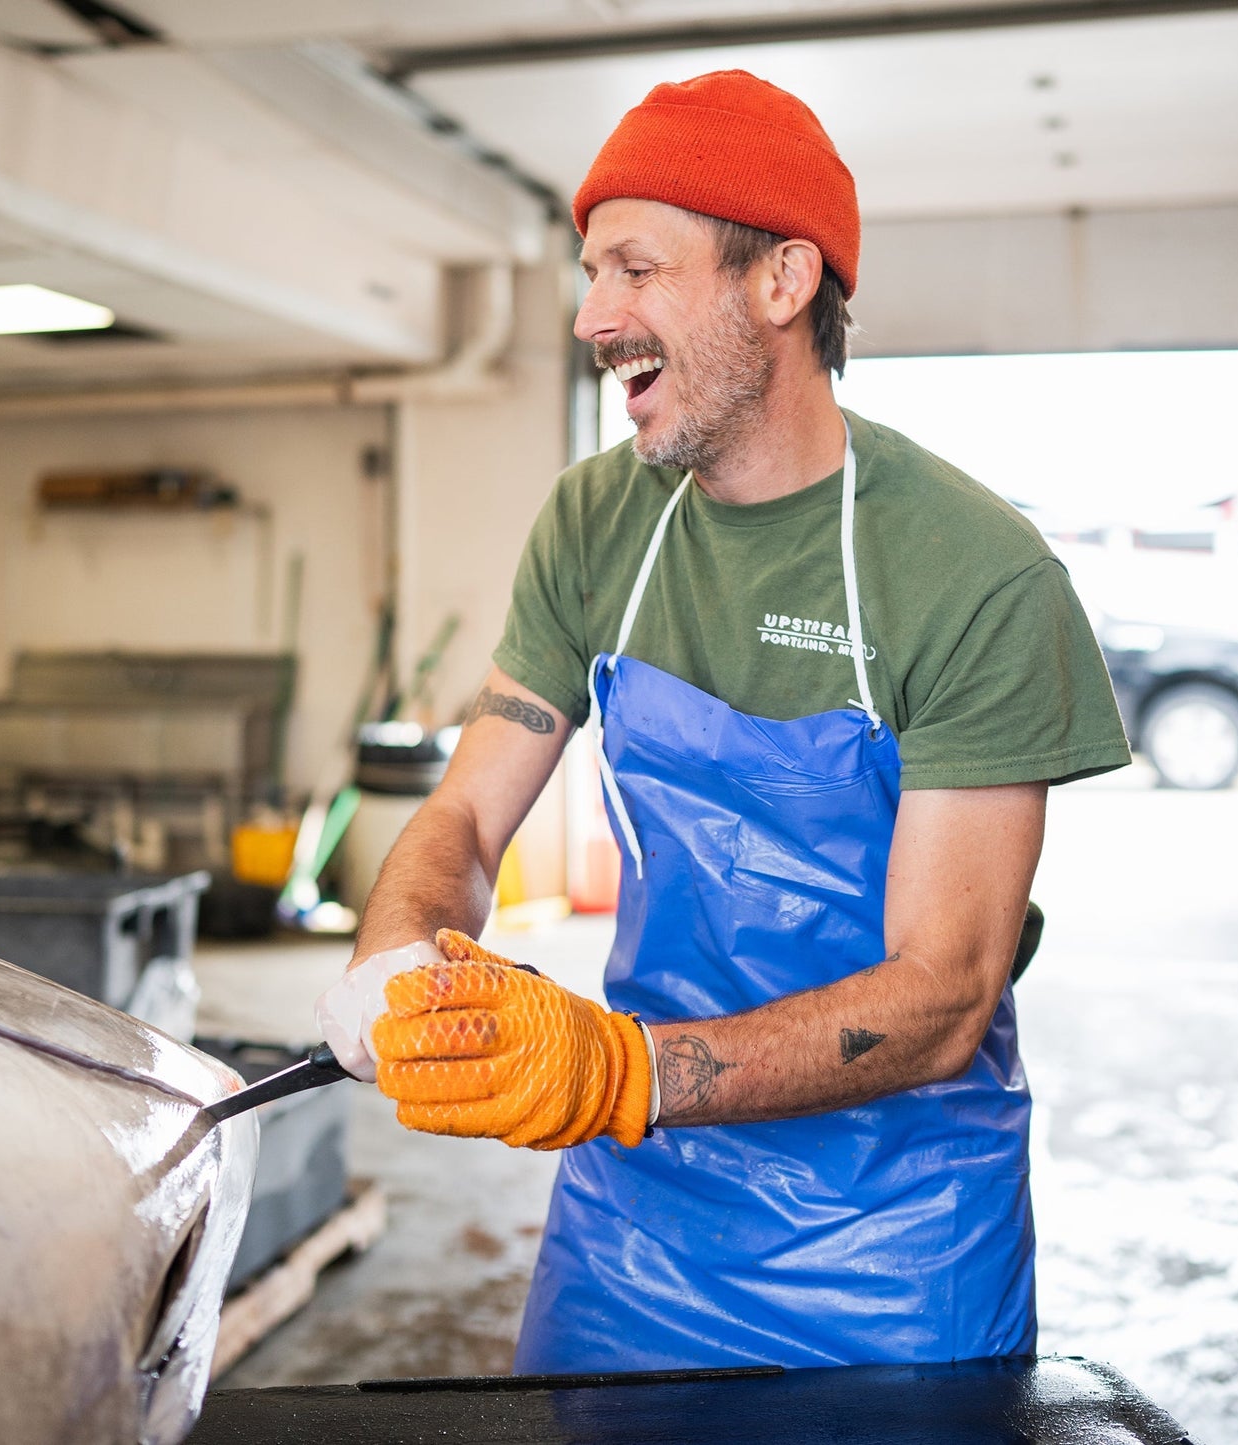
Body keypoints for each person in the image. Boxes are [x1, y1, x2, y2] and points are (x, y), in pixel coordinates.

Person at [317, 69, 1131, 1374]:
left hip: (894, 1239)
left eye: (634, 269)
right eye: (589, 274)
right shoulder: (597, 524)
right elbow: (467, 810)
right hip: (636, 1220)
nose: (591, 317)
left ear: (781, 282)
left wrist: (618, 1071)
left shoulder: (974, 572)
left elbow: (944, 990)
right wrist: (401, 952)